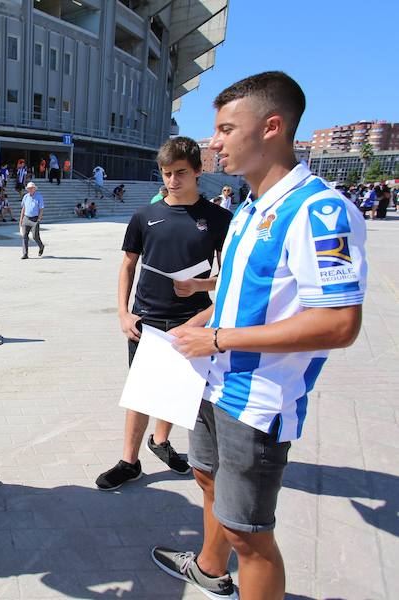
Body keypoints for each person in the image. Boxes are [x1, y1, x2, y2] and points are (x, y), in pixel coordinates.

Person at [152, 72, 367, 600]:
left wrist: (219, 338)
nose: (214, 142)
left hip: (258, 399)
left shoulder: (319, 211)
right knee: (205, 478)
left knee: (251, 535)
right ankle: (208, 568)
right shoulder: (249, 207)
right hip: (212, 380)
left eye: (226, 129)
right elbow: (237, 288)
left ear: (272, 127)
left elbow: (340, 323)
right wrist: (198, 325)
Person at [96, 136, 231, 494]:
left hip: (195, 321)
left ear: (199, 171)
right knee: (141, 393)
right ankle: (129, 461)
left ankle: (161, 441)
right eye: (167, 173)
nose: (173, 181)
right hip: (147, 319)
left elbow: (232, 280)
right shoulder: (145, 216)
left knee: (178, 391)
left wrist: (201, 287)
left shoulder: (219, 219)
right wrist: (124, 313)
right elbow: (127, 266)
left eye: (181, 173)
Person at [19, 181, 45, 259]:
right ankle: (25, 253)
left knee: (35, 236)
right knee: (24, 236)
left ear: (34, 189)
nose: (30, 189)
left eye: (31, 188)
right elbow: (23, 208)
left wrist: (39, 219)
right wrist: (21, 220)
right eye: (28, 188)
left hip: (35, 219)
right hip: (26, 218)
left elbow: (41, 208)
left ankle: (41, 246)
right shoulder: (26, 197)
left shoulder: (39, 196)